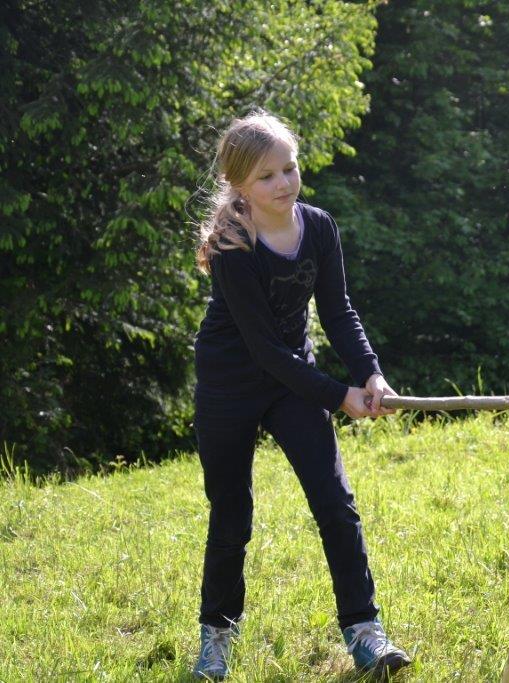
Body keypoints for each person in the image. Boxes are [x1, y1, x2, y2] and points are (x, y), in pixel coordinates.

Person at [191, 111, 410, 679]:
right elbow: (264, 350)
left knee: (335, 503)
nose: (283, 183)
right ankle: (216, 636)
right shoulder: (232, 245)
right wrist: (338, 395)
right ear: (240, 185)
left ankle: (365, 632)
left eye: (289, 168)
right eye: (266, 176)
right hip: (229, 387)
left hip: (293, 383)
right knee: (232, 516)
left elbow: (338, 311)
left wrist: (370, 374)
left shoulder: (318, 227)